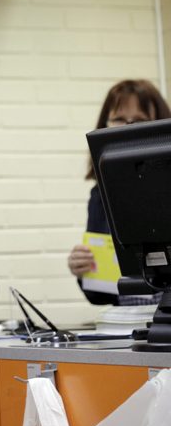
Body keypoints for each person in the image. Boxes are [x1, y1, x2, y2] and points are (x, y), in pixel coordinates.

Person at [67, 79, 171, 305]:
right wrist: (84, 270)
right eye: (119, 119)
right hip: (127, 322)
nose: (128, 127)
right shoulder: (99, 196)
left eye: (140, 120)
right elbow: (100, 295)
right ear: (105, 124)